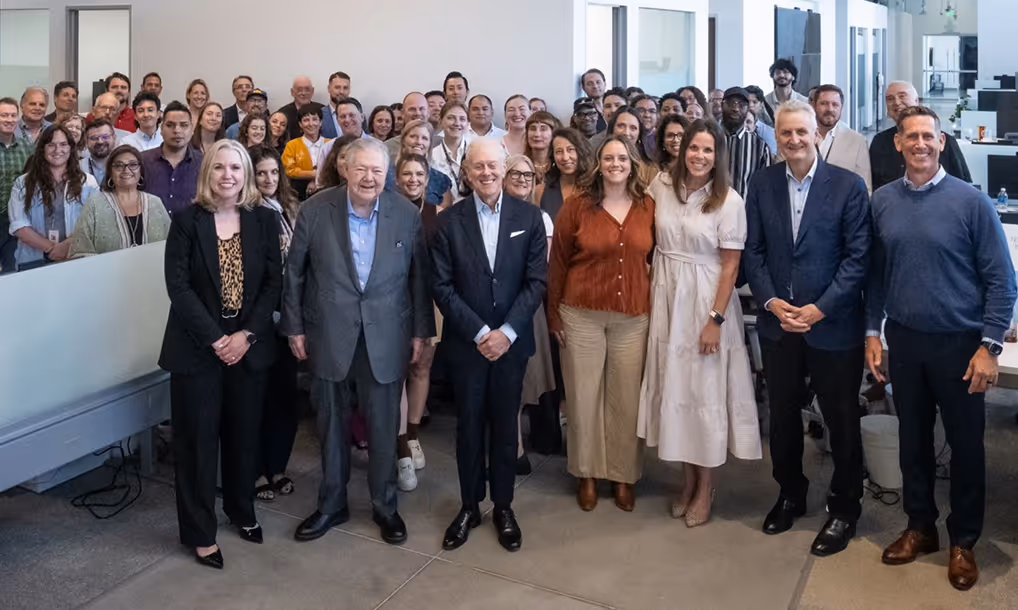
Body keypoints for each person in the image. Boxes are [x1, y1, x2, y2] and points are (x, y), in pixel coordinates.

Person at [866, 106, 1017, 592]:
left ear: (942, 141)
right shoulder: (883, 201)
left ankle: (964, 541)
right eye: (911, 136)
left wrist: (989, 346)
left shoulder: (971, 202)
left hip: (960, 346)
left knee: (968, 448)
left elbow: (1003, 280)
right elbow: (875, 276)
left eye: (928, 136)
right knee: (914, 443)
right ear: (897, 142)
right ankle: (920, 527)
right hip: (906, 341)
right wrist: (873, 331)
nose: (920, 144)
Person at [283, 137, 434, 546]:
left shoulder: (405, 213)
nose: (369, 178)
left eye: (378, 171)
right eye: (361, 169)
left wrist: (422, 330)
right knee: (330, 422)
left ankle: (386, 507)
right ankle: (332, 504)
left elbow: (420, 277)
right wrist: (294, 327)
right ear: (345, 168)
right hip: (328, 332)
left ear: (387, 175)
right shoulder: (315, 209)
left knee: (385, 427)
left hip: (387, 335)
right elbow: (294, 272)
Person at [743, 99, 871, 558]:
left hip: (833, 326)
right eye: (785, 134)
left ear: (817, 132)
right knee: (782, 418)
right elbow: (751, 251)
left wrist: (818, 309)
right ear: (775, 138)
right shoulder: (761, 183)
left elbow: (859, 260)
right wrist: (774, 302)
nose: (794, 140)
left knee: (841, 421)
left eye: (801, 132)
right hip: (779, 326)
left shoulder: (849, 186)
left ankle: (844, 507)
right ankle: (790, 494)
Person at [160, 139, 282, 570]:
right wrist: (218, 340)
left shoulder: (264, 220)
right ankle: (200, 532)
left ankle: (241, 510)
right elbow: (179, 287)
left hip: (247, 347)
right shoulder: (186, 222)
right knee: (196, 444)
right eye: (219, 168)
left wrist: (246, 335)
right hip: (197, 349)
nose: (227, 175)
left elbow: (272, 285)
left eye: (236, 168)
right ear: (206, 173)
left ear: (246, 174)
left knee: (243, 437)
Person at [637, 119, 761, 527]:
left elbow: (731, 268)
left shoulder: (729, 200)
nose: (700, 156)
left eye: (708, 150)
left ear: (718, 155)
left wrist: (715, 320)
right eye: (694, 148)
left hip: (706, 299)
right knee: (676, 389)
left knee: (704, 394)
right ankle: (686, 481)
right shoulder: (661, 187)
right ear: (681, 148)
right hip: (667, 295)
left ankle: (706, 487)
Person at [432, 137, 547, 553]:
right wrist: (482, 333)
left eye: (493, 166)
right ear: (467, 171)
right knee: (468, 428)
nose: (486, 173)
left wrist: (507, 333)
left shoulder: (530, 217)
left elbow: (536, 283)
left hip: (512, 344)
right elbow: (442, 287)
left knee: (504, 426)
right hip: (468, 346)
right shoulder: (448, 221)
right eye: (477, 166)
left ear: (504, 168)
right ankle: (468, 505)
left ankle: (503, 506)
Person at [547, 135, 654, 514]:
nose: (615, 164)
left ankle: (623, 475)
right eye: (608, 158)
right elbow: (558, 261)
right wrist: (554, 314)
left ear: (632, 162)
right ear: (598, 164)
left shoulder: (647, 206)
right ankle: (587, 474)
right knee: (583, 397)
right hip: (581, 314)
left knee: (625, 398)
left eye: (622, 158)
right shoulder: (576, 206)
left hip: (633, 317)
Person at [248, 145, 301, 504]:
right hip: (260, 319)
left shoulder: (288, 210)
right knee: (258, 399)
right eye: (261, 173)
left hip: (289, 315)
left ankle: (278, 465)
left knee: (285, 396)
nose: (268, 179)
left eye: (273, 173)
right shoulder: (247, 213)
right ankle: (253, 471)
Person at [504, 153, 556, 474]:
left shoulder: (542, 218)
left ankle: (516, 444)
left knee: (523, 380)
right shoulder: (494, 212)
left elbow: (540, 267)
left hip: (526, 306)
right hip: (493, 306)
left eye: (528, 176)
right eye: (515, 174)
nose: (523, 180)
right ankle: (509, 445)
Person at [392, 153, 441, 490]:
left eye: (418, 174)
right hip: (393, 302)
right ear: (396, 178)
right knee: (395, 374)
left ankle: (412, 435)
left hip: (430, 300)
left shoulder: (436, 212)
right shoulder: (387, 208)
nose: (412, 179)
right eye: (406, 174)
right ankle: (399, 449)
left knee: (421, 369)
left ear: (427, 178)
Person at [7, 125, 99, 271]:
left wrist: (67, 246)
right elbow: (19, 225)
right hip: (33, 259)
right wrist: (51, 248)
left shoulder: (88, 182)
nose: (58, 150)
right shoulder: (23, 183)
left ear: (71, 148)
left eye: (63, 144)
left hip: (76, 256)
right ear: (42, 148)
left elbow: (94, 222)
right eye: (51, 145)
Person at [69, 144, 170, 257]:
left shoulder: (155, 203)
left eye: (133, 165)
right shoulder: (95, 204)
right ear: (110, 172)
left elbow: (171, 247)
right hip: (105, 274)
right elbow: (80, 250)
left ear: (141, 170)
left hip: (153, 273)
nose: (126, 170)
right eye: (118, 166)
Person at [869, 81, 970, 191]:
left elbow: (963, 185)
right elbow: (871, 184)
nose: (896, 102)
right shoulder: (880, 141)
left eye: (902, 96)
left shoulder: (944, 141)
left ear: (916, 100)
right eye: (890, 99)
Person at [140, 101, 203, 216]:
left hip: (191, 232)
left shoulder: (204, 164)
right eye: (170, 125)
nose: (177, 130)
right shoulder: (142, 161)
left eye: (184, 125)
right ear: (161, 129)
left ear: (192, 130)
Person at [811, 85, 871, 193]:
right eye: (824, 103)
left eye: (835, 105)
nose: (830, 109)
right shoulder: (800, 136)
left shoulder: (857, 141)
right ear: (814, 105)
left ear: (841, 108)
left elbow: (865, 187)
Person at [0, 97, 34, 273]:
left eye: (13, 115)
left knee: (11, 273)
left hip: (15, 222)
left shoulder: (26, 147)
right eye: (4, 115)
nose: (9, 119)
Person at [385, 120, 453, 207]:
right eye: (413, 136)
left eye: (424, 138)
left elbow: (446, 213)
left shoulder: (440, 180)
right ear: (403, 140)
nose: (419, 142)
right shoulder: (385, 175)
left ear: (430, 143)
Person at [719, 88, 771, 199]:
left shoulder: (759, 146)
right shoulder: (710, 140)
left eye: (742, 105)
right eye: (731, 103)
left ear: (748, 109)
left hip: (745, 212)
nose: (736, 109)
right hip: (711, 210)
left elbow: (765, 188)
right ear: (722, 105)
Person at [541, 127, 592, 221]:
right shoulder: (540, 191)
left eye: (570, 150)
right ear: (553, 157)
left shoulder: (596, 188)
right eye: (559, 151)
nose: (565, 157)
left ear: (581, 151)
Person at [282, 105, 330, 199]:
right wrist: (314, 174)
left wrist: (316, 180)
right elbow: (289, 170)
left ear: (320, 122)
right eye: (306, 120)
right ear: (300, 124)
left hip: (328, 192)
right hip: (298, 193)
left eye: (315, 119)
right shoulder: (292, 145)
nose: (311, 123)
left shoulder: (330, 144)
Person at [523, 111, 562, 203]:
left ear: (553, 133)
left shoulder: (560, 165)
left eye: (543, 129)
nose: (537, 134)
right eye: (532, 129)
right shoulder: (521, 165)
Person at [430, 102, 469, 191]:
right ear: (440, 121)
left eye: (462, 119)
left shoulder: (476, 152)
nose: (457, 123)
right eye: (451, 118)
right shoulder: (432, 156)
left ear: (467, 123)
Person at [277, 76, 323, 142]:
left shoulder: (322, 110)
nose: (303, 93)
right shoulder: (283, 113)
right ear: (292, 92)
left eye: (307, 89)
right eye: (299, 90)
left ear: (312, 91)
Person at [385, 92, 430, 160]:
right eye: (412, 109)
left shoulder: (439, 144)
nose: (417, 113)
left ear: (428, 112)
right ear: (402, 113)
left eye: (421, 109)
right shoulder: (387, 147)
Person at [81, 119, 117, 187]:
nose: (100, 141)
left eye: (105, 137)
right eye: (94, 138)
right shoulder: (77, 168)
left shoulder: (124, 167)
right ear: (86, 141)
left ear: (114, 137)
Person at [322, 73, 354, 139]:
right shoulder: (319, 115)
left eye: (345, 88)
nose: (341, 92)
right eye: (337, 87)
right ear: (329, 89)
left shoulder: (357, 114)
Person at [631, 95, 660, 162]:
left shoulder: (662, 139)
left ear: (657, 115)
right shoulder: (627, 136)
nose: (647, 115)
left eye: (652, 111)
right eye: (641, 111)